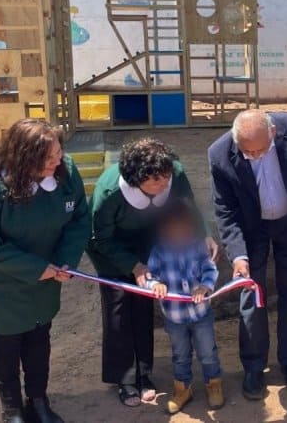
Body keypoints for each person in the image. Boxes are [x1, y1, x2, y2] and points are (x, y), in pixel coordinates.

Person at [0, 119, 90, 423]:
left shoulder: (65, 172)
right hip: (0, 281)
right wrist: (37, 269)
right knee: (6, 344)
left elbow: (80, 220)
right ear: (24, 158)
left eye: (58, 153)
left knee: (38, 338)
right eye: (48, 158)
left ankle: (38, 401)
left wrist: (65, 261)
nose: (57, 161)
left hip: (46, 274)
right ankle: (12, 409)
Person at [87, 139, 219, 407]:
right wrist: (133, 266)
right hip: (112, 250)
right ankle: (124, 379)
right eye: (156, 181)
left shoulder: (174, 172)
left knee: (143, 308)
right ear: (137, 180)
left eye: (166, 178)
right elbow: (100, 238)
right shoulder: (110, 191)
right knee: (119, 310)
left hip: (152, 245)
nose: (164, 185)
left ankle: (144, 374)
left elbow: (189, 205)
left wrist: (203, 234)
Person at [208, 109, 287, 400]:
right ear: (236, 144)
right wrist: (238, 256)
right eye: (249, 153)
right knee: (251, 296)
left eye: (262, 150)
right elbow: (226, 211)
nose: (256, 157)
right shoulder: (219, 154)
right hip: (251, 229)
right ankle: (254, 366)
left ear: (273, 133)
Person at [142, 198, 224, 415]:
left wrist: (205, 287)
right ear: (164, 228)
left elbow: (210, 270)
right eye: (174, 228)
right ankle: (182, 389)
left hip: (201, 313)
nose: (180, 232)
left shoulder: (197, 246)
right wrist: (155, 284)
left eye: (184, 227)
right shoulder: (158, 252)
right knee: (180, 354)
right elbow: (149, 275)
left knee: (208, 352)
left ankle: (213, 384)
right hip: (174, 317)